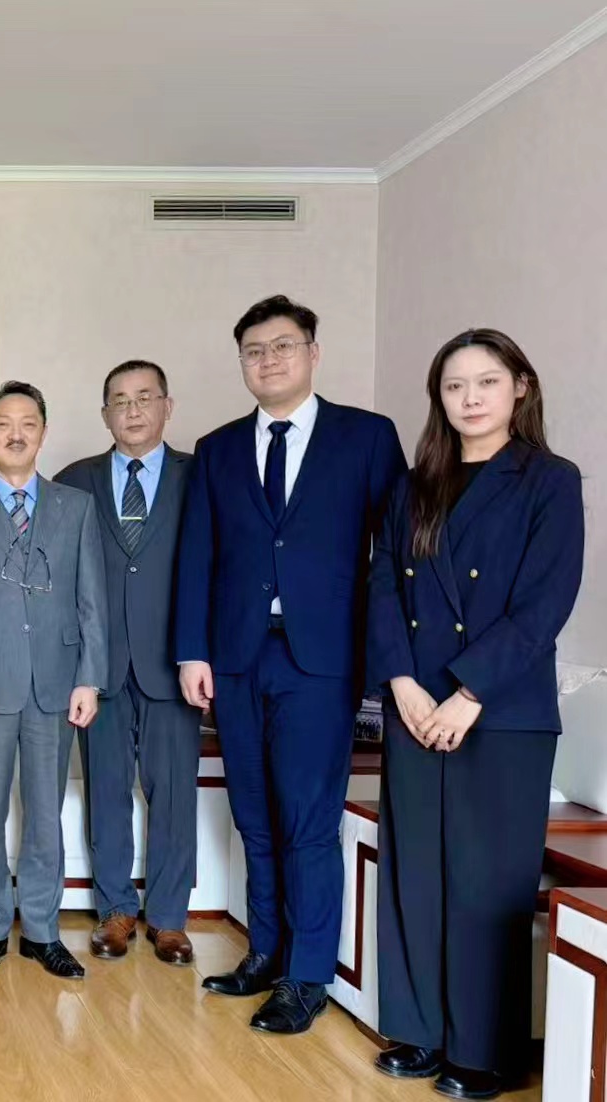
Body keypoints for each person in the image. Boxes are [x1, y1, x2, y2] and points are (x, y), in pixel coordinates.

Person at [175, 295, 406, 1034]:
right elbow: (198, 556)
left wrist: (385, 658)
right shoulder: (216, 448)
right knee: (253, 816)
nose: (268, 360)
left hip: (321, 660)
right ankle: (266, 952)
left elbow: (394, 556)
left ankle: (307, 976)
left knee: (307, 820)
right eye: (254, 351)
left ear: (313, 352)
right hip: (236, 658)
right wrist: (192, 651)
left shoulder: (366, 437)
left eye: (282, 346)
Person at [368, 330, 583, 1099]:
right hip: (415, 704)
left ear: (520, 386)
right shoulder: (415, 484)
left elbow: (543, 605)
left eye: (486, 382)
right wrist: (401, 682)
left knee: (486, 884)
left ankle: (484, 1052)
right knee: (417, 875)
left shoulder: (549, 480)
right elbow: (383, 587)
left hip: (502, 710)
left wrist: (468, 693)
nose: (469, 398)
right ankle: (421, 1032)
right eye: (454, 385)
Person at [0, 380, 107, 979]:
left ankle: (41, 929)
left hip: (57, 684)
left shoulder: (75, 507)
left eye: (28, 423)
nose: (15, 433)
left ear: (43, 432)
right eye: (3, 423)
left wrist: (89, 678)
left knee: (45, 813)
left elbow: (91, 600)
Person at [55, 360, 199, 967]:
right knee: (107, 790)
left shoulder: (200, 476)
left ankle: (168, 917)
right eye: (120, 400)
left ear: (167, 406)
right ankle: (114, 909)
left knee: (174, 794)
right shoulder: (74, 481)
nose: (133, 410)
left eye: (145, 397)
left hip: (174, 662)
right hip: (100, 664)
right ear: (105, 414)